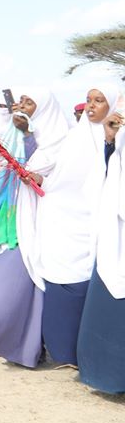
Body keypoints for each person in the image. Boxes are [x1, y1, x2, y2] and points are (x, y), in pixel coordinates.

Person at [22, 82, 121, 366]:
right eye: (88, 99)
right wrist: (40, 180)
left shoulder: (117, 137)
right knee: (61, 287)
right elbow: (62, 182)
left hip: (102, 224)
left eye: (99, 100)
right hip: (66, 224)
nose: (91, 106)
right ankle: (63, 351)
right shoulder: (74, 138)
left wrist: (111, 140)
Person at [0, 88, 68, 367]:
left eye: (30, 103)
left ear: (44, 108)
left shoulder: (61, 141)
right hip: (11, 219)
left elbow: (52, 176)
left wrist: (28, 135)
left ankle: (26, 348)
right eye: (23, 101)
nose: (23, 106)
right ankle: (5, 341)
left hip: (39, 224)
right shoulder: (13, 132)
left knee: (23, 287)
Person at [78, 95, 125, 392]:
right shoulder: (118, 139)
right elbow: (106, 178)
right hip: (114, 235)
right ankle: (107, 376)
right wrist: (110, 140)